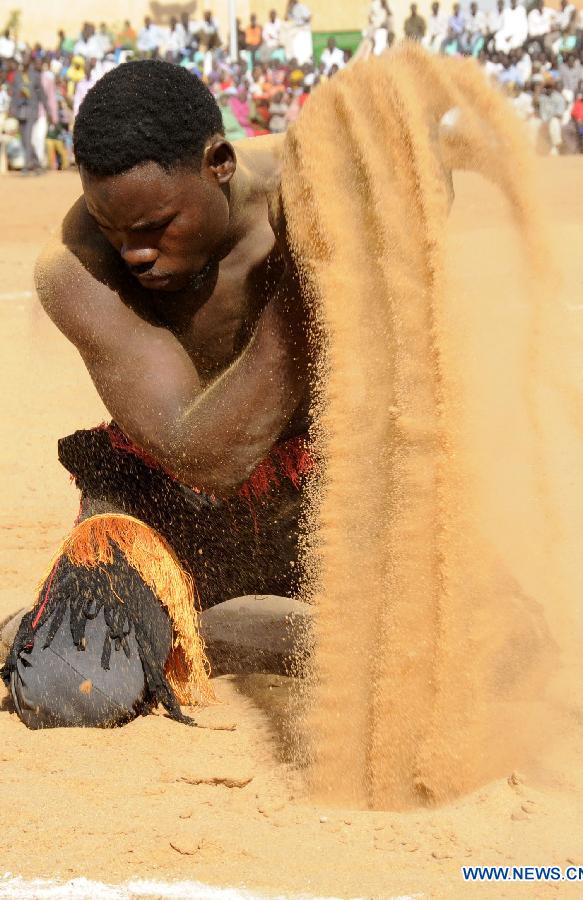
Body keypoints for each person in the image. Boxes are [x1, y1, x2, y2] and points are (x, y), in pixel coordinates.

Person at [5, 61, 311, 729]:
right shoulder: (76, 267)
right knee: (71, 685)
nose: (136, 254)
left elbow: (425, 175)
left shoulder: (315, 190)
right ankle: (61, 615)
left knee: (496, 648)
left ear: (219, 163)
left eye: (157, 226)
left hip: (324, 496)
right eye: (117, 231)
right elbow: (202, 457)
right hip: (168, 506)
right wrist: (308, 289)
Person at [9, 54, 53, 175]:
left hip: (32, 111)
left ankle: (27, 166)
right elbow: (13, 94)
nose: (24, 60)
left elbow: (42, 95)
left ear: (30, 62)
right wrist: (11, 108)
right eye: (23, 58)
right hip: (20, 111)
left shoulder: (35, 76)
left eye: (26, 58)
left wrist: (48, 110)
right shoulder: (17, 76)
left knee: (28, 137)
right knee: (24, 140)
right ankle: (37, 164)